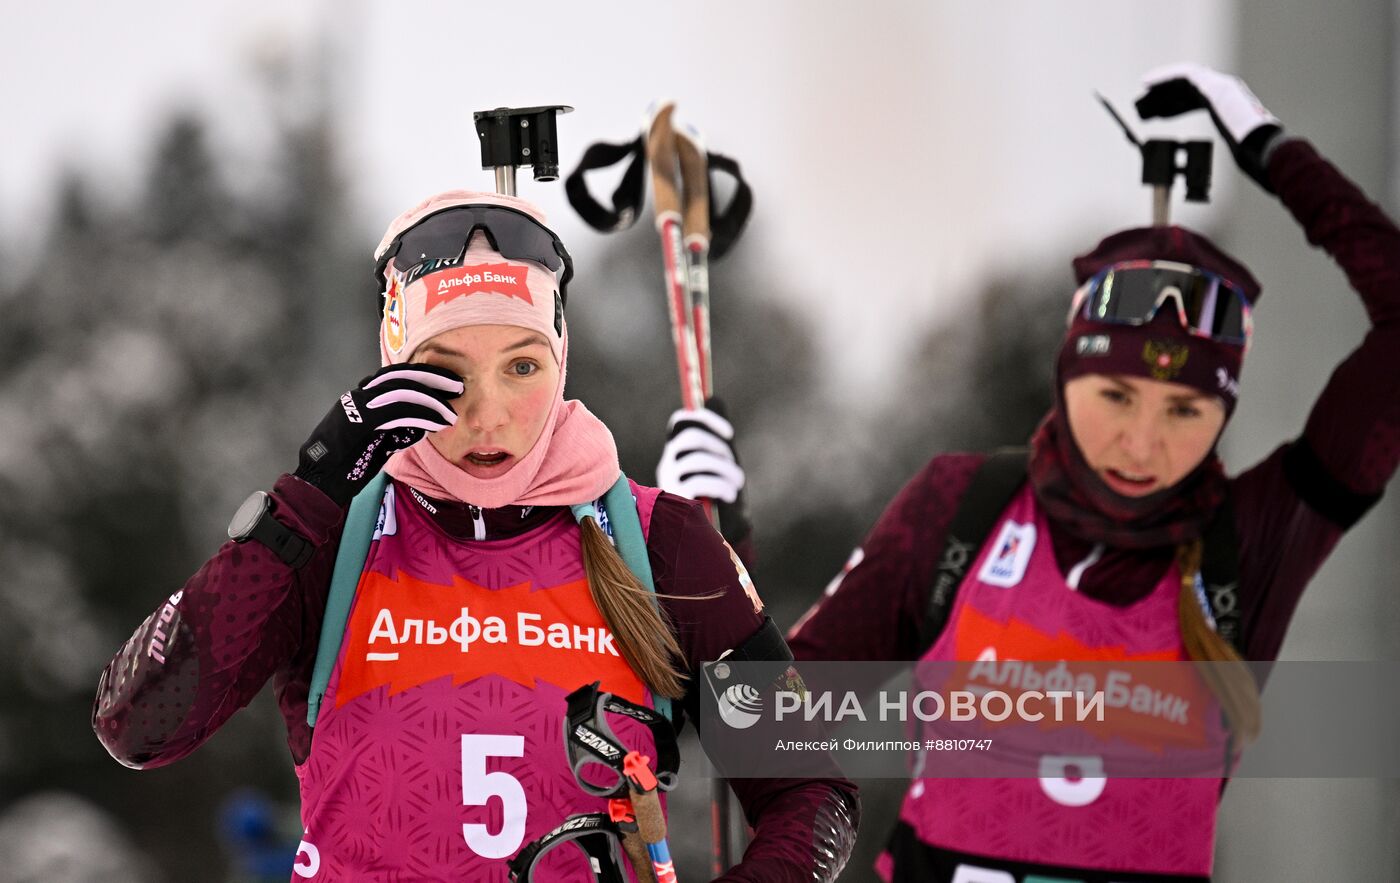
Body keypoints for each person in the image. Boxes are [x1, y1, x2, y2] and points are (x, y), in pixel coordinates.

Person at [657, 64, 1399, 882]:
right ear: (1068, 377)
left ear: (1222, 417)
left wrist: (1270, 147)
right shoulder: (964, 507)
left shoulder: (1251, 541)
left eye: (1185, 412)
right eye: (1116, 394)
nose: (1143, 441)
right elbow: (765, 731)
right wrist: (719, 554)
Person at [92, 189, 858, 882]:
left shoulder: (655, 538)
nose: (486, 414)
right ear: (392, 364)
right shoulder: (333, 537)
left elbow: (811, 785)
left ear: (561, 358)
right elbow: (137, 723)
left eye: (521, 366)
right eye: (444, 371)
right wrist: (303, 501)